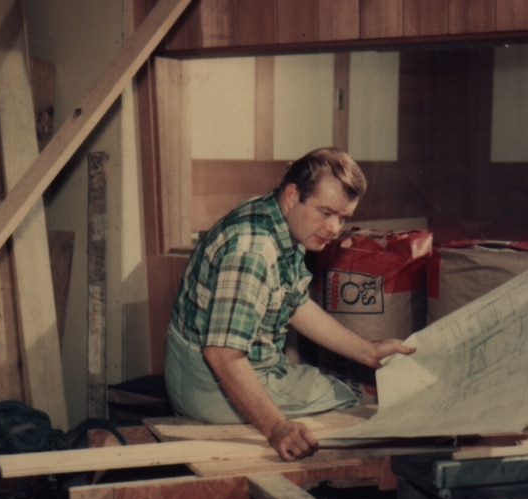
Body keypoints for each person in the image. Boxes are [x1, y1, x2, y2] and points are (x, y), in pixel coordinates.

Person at [164, 147, 415, 462]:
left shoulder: (278, 220)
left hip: (211, 369)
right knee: (343, 398)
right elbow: (222, 353)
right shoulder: (253, 249)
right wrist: (276, 427)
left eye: (343, 217)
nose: (335, 228)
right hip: (208, 384)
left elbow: (296, 304)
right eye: (326, 213)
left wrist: (367, 351)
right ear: (293, 194)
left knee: (326, 386)